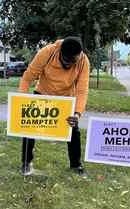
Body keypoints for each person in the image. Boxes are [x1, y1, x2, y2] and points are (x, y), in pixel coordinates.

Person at [18, 36, 90, 177]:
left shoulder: (83, 61)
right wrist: (22, 99)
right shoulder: (47, 52)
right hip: (43, 93)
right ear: (60, 53)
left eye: (73, 61)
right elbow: (28, 77)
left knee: (73, 130)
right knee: (29, 127)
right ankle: (26, 163)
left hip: (66, 99)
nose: (70, 65)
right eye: (67, 62)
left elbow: (82, 89)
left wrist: (77, 113)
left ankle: (76, 164)